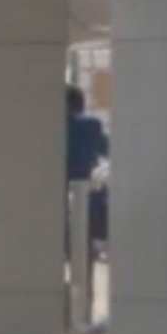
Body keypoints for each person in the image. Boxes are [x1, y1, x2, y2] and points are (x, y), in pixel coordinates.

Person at [66, 86, 109, 302]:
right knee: (83, 263)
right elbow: (107, 149)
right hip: (84, 204)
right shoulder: (91, 126)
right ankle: (82, 310)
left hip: (50, 204)